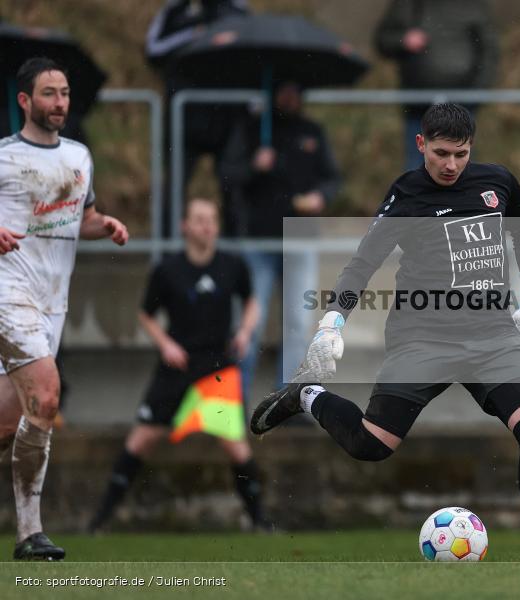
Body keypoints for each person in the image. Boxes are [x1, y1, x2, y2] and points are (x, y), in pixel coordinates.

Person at [250, 104, 520, 561]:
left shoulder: (498, 183)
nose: (451, 165)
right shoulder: (406, 196)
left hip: (492, 335)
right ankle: (306, 396)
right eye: (441, 153)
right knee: (372, 445)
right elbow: (361, 265)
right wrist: (331, 324)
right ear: (421, 145)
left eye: (461, 154)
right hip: (422, 336)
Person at [0, 57, 129, 560]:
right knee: (48, 397)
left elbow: (84, 217)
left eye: (65, 93)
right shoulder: (4, 157)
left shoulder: (78, 156)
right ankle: (30, 534)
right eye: (49, 94)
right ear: (25, 101)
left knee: (11, 424)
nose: (60, 103)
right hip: (9, 295)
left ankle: (30, 532)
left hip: (53, 303)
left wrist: (107, 225)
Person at [88, 197, 268, 532]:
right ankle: (99, 521)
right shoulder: (168, 270)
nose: (207, 226)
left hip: (216, 370)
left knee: (235, 445)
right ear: (185, 226)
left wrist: (244, 331)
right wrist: (166, 344)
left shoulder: (232, 265)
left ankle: (260, 521)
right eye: (199, 219)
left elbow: (252, 301)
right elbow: (145, 315)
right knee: (141, 439)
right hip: (178, 366)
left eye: (211, 219)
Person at [219, 81, 340, 403]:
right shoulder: (253, 130)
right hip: (258, 239)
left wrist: (320, 197)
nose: (290, 96)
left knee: (299, 324)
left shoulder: (313, 131)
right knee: (248, 324)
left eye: (294, 90)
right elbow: (227, 175)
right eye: (283, 90)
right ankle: (236, 401)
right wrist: (253, 166)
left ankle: (288, 401)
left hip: (300, 239)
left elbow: (332, 178)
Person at [145, 0, 251, 235]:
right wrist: (194, 35)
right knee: (174, 186)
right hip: (183, 117)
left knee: (233, 185)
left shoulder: (239, 12)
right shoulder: (175, 10)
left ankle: (235, 255)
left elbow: (252, 53)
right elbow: (153, 51)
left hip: (229, 116)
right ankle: (168, 251)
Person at [374, 0, 499, 171]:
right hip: (418, 105)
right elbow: (382, 40)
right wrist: (403, 40)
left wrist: (478, 90)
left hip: (462, 103)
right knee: (417, 168)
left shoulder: (472, 5)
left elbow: (489, 49)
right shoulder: (405, 5)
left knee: (459, 168)